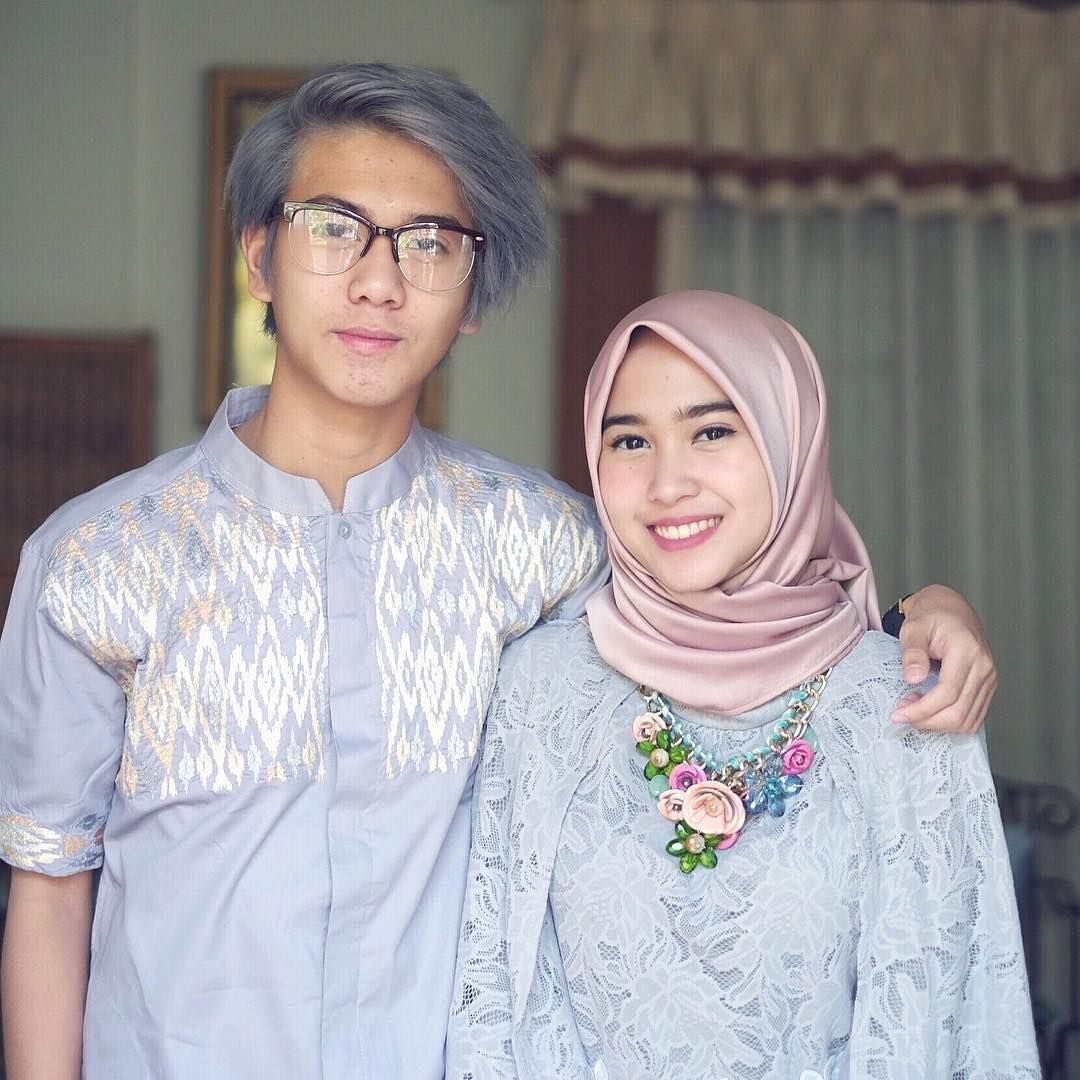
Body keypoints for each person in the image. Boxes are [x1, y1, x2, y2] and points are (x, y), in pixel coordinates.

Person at [0, 64, 993, 1080]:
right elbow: (50, 887)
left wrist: (925, 607)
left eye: (430, 243)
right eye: (334, 228)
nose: (379, 282)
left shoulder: (546, 547)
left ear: (472, 294)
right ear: (260, 256)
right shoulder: (97, 561)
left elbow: (739, 608)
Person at [447, 291, 1039, 1078]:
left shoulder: (906, 701)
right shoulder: (543, 688)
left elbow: (944, 1020)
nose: (668, 484)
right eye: (630, 441)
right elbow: (494, 993)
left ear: (791, 440)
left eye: (713, 431)